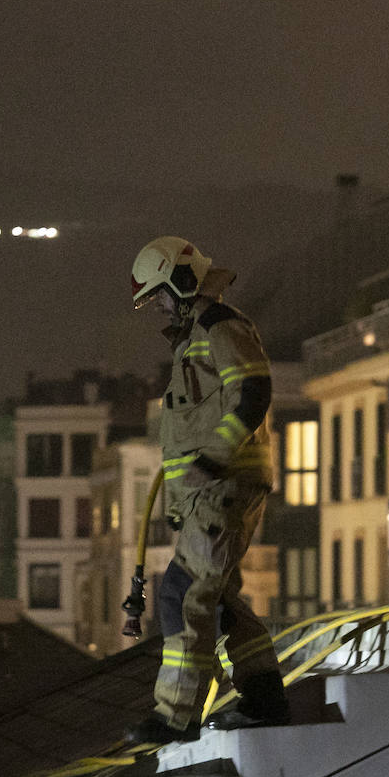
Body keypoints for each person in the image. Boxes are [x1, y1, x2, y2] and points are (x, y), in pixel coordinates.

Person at [125, 236, 291, 744]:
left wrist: (214, 459)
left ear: (180, 280)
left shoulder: (220, 327)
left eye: (159, 293)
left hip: (223, 487)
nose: (158, 305)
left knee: (183, 593)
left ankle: (176, 715)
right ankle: (264, 698)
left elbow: (254, 392)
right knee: (218, 600)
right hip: (210, 493)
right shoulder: (197, 336)